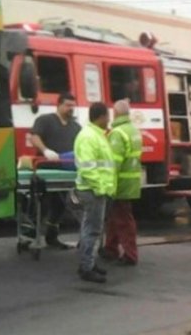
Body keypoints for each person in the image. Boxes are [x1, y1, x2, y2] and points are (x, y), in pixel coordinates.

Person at [29, 92, 81, 249]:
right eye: (67, 105)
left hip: (65, 171)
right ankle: (29, 236)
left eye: (73, 106)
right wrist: (45, 150)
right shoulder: (45, 120)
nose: (70, 109)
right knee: (40, 205)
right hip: (46, 169)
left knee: (59, 205)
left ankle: (52, 237)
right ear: (58, 105)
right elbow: (34, 137)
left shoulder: (75, 127)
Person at [73, 102, 117, 283]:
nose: (109, 120)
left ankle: (88, 263)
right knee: (92, 230)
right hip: (93, 191)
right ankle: (86, 267)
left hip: (95, 190)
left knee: (90, 228)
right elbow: (88, 168)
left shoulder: (95, 135)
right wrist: (100, 188)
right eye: (107, 116)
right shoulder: (90, 137)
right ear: (101, 117)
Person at [101, 100, 143, 266]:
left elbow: (114, 163)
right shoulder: (134, 131)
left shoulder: (117, 133)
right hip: (131, 181)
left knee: (122, 219)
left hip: (120, 183)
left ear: (115, 113)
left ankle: (130, 254)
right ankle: (110, 248)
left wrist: (108, 183)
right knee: (115, 217)